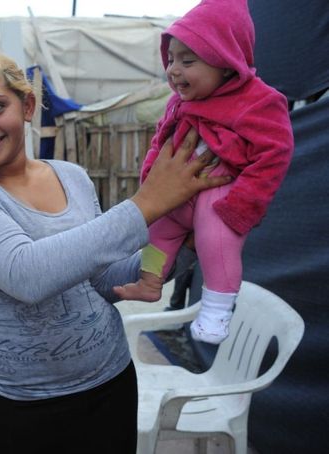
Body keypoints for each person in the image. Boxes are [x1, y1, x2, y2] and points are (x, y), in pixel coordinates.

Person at [0, 51, 230, 453]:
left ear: (28, 106)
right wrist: (146, 205)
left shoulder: (71, 177)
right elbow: (26, 274)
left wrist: (186, 244)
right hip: (24, 406)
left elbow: (107, 279)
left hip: (110, 384)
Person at [115, 0, 294, 344]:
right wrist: (151, 182)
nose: (173, 70)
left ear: (226, 62)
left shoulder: (258, 100)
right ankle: (150, 282)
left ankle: (215, 312)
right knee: (158, 229)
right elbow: (161, 140)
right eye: (171, 59)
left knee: (217, 240)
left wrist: (243, 205)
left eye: (188, 60)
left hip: (219, 190)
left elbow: (276, 152)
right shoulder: (179, 103)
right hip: (177, 192)